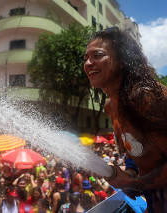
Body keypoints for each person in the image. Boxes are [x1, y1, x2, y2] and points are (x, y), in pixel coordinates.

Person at [84, 27, 167, 212]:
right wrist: (129, 174)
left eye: (97, 55)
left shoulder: (144, 97)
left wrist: (136, 183)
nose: (88, 63)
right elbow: (137, 155)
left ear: (122, 60)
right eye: (86, 58)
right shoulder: (110, 107)